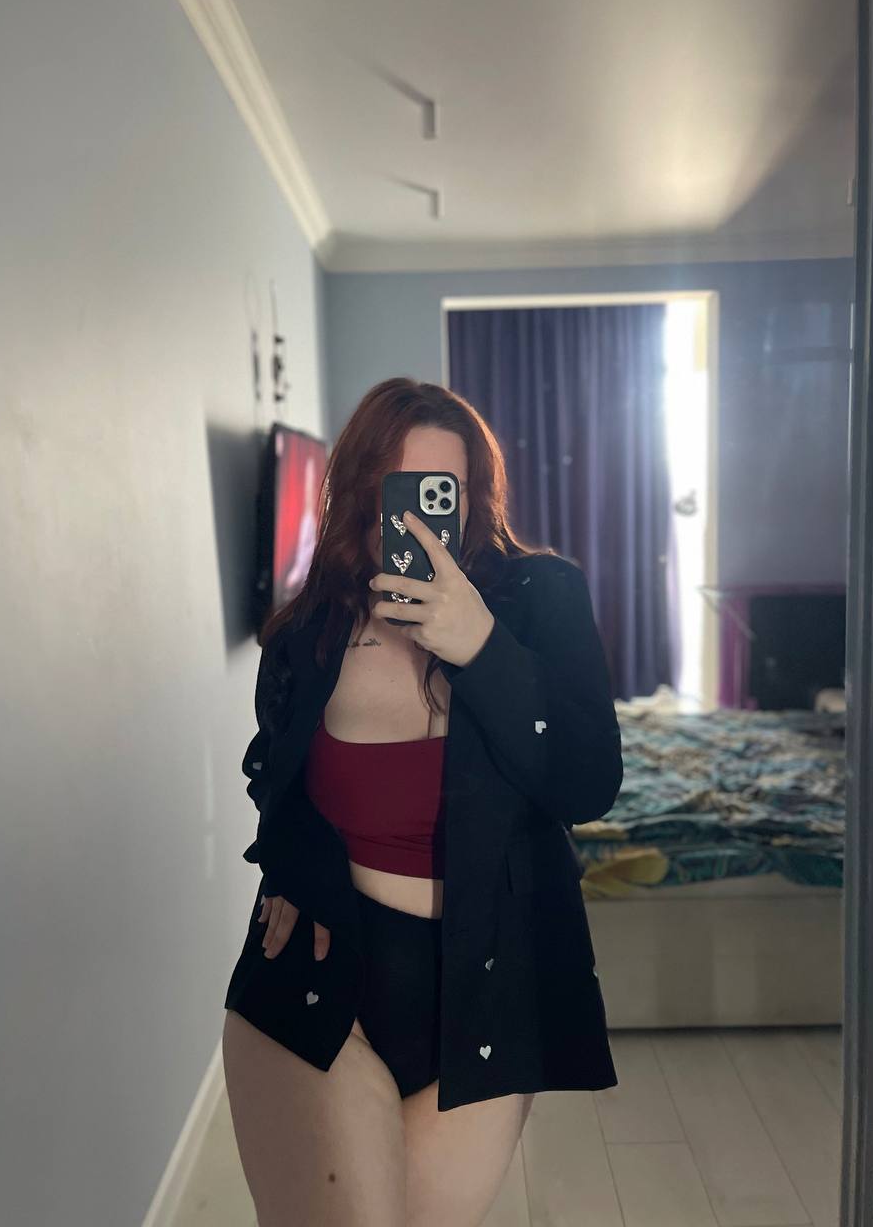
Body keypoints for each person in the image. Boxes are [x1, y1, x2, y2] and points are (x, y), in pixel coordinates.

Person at [221, 378, 623, 1227]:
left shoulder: (540, 600)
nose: (418, 519)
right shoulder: (311, 631)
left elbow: (587, 782)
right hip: (318, 980)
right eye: (397, 489)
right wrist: (294, 862)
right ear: (359, 491)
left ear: (473, 501)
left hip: (487, 996)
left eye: (444, 492)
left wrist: (481, 647)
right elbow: (275, 778)